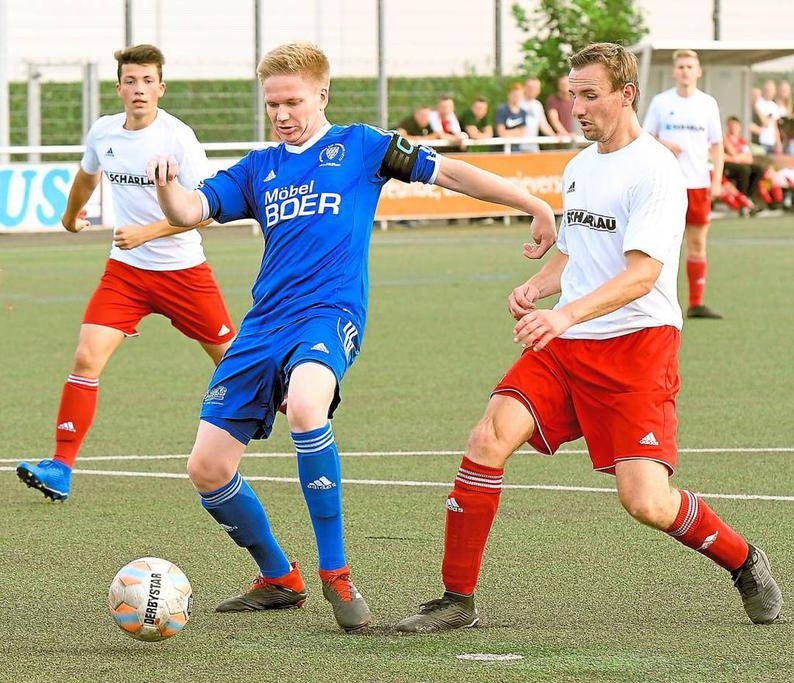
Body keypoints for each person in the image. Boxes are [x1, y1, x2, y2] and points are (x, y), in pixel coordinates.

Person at [147, 42, 556, 634]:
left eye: (293, 102)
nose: (282, 115)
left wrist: (529, 202)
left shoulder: (363, 146)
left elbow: (451, 171)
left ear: (322, 94)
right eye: (272, 105)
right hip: (263, 325)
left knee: (308, 407)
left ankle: (335, 574)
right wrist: (166, 188)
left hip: (329, 313)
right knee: (206, 468)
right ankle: (278, 577)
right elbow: (189, 210)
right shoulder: (259, 167)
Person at [395, 41, 782, 634]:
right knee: (488, 437)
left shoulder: (656, 171)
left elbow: (642, 274)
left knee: (646, 501)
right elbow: (577, 253)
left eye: (590, 95)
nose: (577, 107)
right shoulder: (579, 168)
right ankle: (456, 600)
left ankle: (742, 559)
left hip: (636, 346)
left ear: (627, 94)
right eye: (572, 94)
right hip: (569, 344)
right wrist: (538, 286)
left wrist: (565, 314)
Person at [16, 44, 235, 502]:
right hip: (127, 273)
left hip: (182, 270)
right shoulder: (104, 132)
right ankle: (60, 466)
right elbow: (87, 176)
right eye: (131, 81)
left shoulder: (178, 138)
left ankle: (291, 407)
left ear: (161, 87)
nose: (139, 89)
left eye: (147, 81)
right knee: (86, 357)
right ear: (119, 88)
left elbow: (208, 210)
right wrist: (69, 215)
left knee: (231, 361)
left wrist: (148, 233)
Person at [643, 49, 724, 320]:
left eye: (690, 66)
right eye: (681, 67)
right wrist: (665, 143)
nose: (685, 71)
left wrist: (717, 180)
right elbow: (645, 138)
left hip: (698, 184)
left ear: (698, 71)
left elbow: (717, 145)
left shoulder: (708, 104)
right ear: (674, 71)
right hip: (666, 186)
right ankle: (652, 305)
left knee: (697, 243)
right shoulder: (661, 102)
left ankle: (695, 303)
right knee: (659, 245)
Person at [521, 77, 557, 151]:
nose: (532, 90)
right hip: (516, 147)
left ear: (539, 90)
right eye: (530, 87)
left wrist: (555, 136)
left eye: (535, 88)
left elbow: (544, 125)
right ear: (525, 88)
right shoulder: (517, 102)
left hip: (533, 147)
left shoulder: (537, 105)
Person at [495, 83, 530, 151]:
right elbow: (501, 132)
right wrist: (516, 131)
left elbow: (523, 132)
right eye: (514, 95)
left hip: (516, 149)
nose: (517, 97)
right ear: (509, 95)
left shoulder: (523, 112)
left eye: (519, 95)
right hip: (500, 150)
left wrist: (508, 132)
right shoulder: (502, 110)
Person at [755, 80, 783, 155]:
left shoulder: (774, 106)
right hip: (760, 141)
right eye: (767, 90)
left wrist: (778, 142)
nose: (769, 92)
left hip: (771, 142)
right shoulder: (758, 103)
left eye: (771, 90)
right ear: (763, 90)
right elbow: (764, 123)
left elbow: (775, 126)